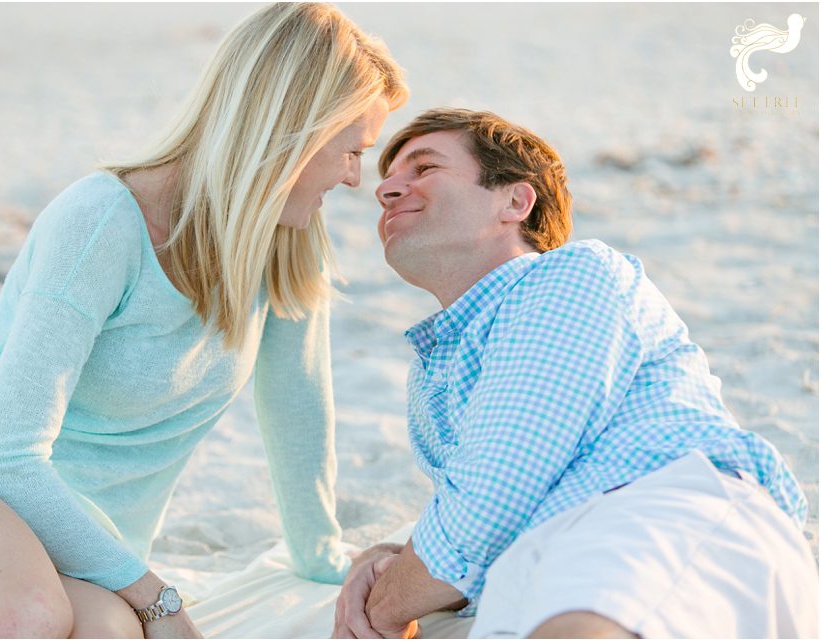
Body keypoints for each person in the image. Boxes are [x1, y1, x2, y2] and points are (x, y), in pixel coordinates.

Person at [0, 3, 408, 638]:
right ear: (292, 133)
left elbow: (297, 411)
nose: (353, 179)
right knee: (24, 617)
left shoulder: (284, 245)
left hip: (72, 537)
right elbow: (5, 458)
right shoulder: (101, 222)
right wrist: (159, 598)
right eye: (351, 151)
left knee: (109, 634)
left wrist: (325, 562)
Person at [332, 108, 817, 639]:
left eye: (423, 169)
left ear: (515, 201)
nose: (387, 191)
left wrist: (381, 605)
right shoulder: (439, 366)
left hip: (656, 515)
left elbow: (494, 491)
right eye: (388, 179)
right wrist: (388, 559)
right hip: (537, 562)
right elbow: (479, 512)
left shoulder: (570, 276)